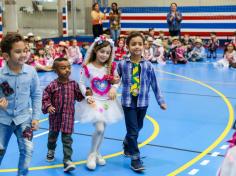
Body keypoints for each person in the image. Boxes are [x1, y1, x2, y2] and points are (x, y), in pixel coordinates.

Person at [117, 31, 167, 172]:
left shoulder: (148, 65)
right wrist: (113, 83)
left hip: (143, 102)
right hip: (128, 102)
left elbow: (154, 84)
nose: (137, 46)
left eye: (140, 44)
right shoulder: (122, 64)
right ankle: (135, 159)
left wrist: (160, 100)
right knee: (133, 131)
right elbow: (115, 80)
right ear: (128, 46)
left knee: (138, 128)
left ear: (144, 46)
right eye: (133, 44)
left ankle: (127, 143)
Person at [77, 35, 123, 170]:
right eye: (102, 51)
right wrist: (86, 96)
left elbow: (117, 80)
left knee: (102, 130)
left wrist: (114, 88)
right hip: (94, 102)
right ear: (95, 51)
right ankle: (91, 154)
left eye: (108, 52)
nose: (104, 55)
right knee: (99, 128)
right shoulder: (88, 67)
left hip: (108, 102)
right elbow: (80, 83)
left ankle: (97, 152)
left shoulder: (111, 67)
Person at [0, 33, 42, 176]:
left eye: (25, 50)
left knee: (28, 150)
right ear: (6, 56)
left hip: (24, 120)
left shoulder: (31, 72)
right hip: (3, 121)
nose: (23, 54)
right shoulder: (1, 75)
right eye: (18, 52)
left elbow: (36, 95)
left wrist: (36, 117)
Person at [42, 58, 84, 172]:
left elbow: (79, 97)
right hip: (55, 117)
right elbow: (45, 98)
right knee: (52, 137)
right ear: (55, 70)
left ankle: (67, 161)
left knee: (67, 140)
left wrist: (86, 92)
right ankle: (51, 150)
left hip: (68, 117)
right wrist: (48, 106)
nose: (67, 70)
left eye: (69, 67)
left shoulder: (73, 84)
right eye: (63, 68)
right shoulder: (52, 85)